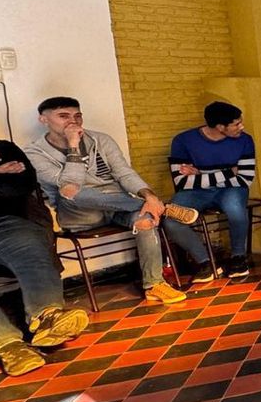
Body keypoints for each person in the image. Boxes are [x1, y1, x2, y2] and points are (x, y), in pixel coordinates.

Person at [26, 96, 196, 307]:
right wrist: (73, 146)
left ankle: (154, 284)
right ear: (44, 120)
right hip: (80, 213)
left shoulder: (100, 140)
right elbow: (70, 184)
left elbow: (124, 173)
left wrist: (149, 197)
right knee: (69, 193)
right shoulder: (33, 154)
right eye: (64, 116)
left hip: (117, 207)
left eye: (77, 116)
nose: (73, 121)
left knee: (146, 218)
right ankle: (165, 208)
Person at [0, 135, 91, 375]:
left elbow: (21, 185)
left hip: (2, 222)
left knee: (32, 244)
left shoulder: (1, 148)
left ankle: (48, 315)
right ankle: (7, 345)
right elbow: (0, 187)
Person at [164, 101, 257, 283]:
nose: (242, 127)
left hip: (231, 189)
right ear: (220, 127)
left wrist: (201, 174)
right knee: (172, 218)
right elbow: (182, 181)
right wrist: (229, 171)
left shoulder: (245, 140)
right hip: (197, 192)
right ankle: (205, 263)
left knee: (235, 210)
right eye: (236, 124)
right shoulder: (183, 141)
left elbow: (245, 178)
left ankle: (239, 257)